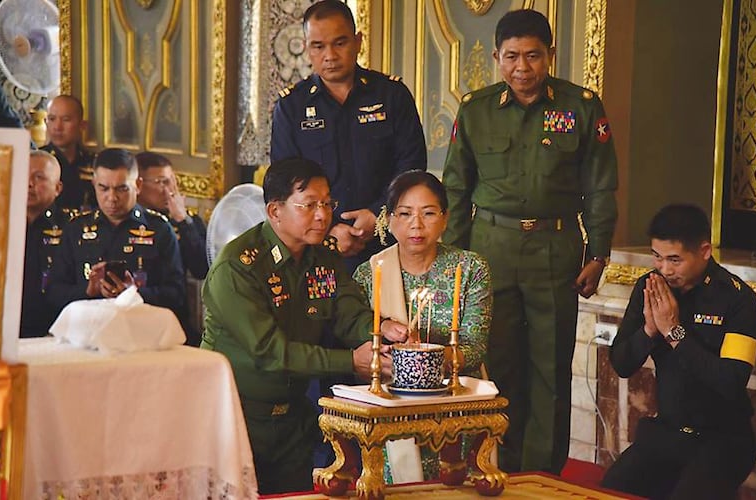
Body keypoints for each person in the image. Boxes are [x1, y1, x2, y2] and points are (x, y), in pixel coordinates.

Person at [441, 9, 618, 474]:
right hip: (488, 250)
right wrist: (452, 260)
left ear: (551, 56)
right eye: (512, 57)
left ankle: (540, 476)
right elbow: (456, 189)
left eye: (533, 56)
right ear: (497, 58)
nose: (523, 68)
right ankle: (495, 465)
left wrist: (598, 252)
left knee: (551, 369)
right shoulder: (475, 109)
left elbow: (600, 185)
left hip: (554, 250)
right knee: (494, 365)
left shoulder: (581, 106)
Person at [200, 157, 397, 495]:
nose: (323, 215)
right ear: (275, 211)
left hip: (292, 420)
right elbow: (269, 351)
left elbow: (348, 312)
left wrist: (384, 332)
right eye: (309, 205)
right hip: (234, 417)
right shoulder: (238, 267)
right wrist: (350, 362)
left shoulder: (322, 257)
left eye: (327, 203)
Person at [602, 204, 756, 499]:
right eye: (657, 257)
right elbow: (621, 363)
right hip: (669, 431)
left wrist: (674, 332)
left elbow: (731, 381)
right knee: (610, 492)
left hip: (723, 438)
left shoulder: (737, 299)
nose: (665, 269)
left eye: (675, 259)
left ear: (704, 251)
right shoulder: (650, 287)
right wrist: (649, 330)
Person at [353, 170, 492, 484]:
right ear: (388, 220)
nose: (416, 224)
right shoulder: (369, 274)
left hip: (455, 406)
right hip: (393, 409)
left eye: (428, 213)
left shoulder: (471, 269)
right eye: (404, 214)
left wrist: (424, 360)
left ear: (444, 219)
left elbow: (474, 347)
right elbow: (363, 349)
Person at [271, 0, 426, 271]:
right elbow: (284, 185)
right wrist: (329, 230)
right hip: (317, 248)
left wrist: (379, 216)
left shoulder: (392, 95)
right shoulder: (291, 107)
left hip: (388, 243)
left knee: (387, 315)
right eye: (318, 46)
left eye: (340, 43)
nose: (329, 55)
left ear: (358, 42)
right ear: (307, 48)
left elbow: (411, 169)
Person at [47, 148, 185, 317]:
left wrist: (134, 293)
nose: (112, 197)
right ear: (94, 184)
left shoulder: (160, 230)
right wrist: (88, 291)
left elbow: (177, 295)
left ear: (138, 185)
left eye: (122, 189)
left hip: (139, 329)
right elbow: (53, 292)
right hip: (88, 327)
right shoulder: (76, 228)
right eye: (103, 188)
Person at [135, 152, 208, 279]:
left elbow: (203, 270)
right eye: (161, 182)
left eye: (171, 181)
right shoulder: (124, 218)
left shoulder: (185, 221)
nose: (169, 190)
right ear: (138, 185)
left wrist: (183, 221)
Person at [21, 151, 68, 338]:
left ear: (58, 188)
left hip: (53, 327)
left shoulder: (72, 228)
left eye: (39, 177)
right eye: (23, 175)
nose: (29, 184)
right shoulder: (4, 221)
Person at [41, 95, 96, 211]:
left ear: (82, 125)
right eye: (52, 119)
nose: (57, 127)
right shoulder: (37, 161)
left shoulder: (93, 162)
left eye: (66, 120)